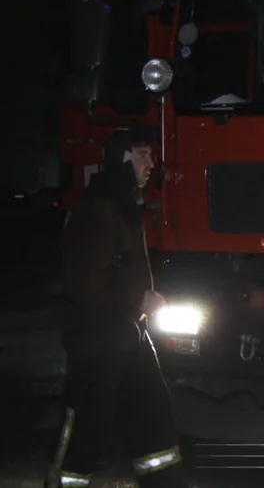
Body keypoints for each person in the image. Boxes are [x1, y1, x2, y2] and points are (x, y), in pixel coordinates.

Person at [47, 127, 191, 488]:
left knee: (152, 414)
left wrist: (138, 304)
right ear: (122, 159)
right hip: (96, 338)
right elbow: (84, 283)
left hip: (127, 332)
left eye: (151, 156)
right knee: (89, 423)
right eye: (142, 156)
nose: (150, 164)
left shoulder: (122, 206)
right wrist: (137, 298)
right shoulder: (97, 209)